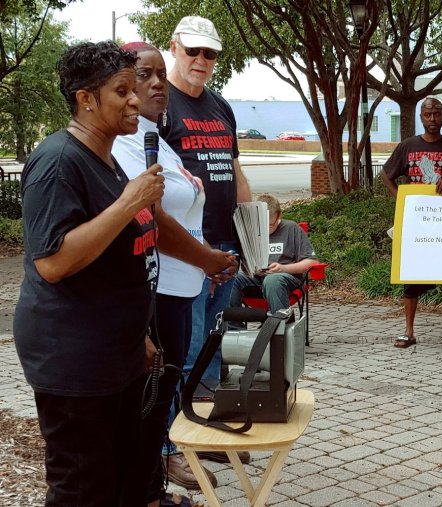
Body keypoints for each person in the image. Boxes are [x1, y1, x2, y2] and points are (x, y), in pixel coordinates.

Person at [15, 41, 164, 506]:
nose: (135, 99)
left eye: (134, 88)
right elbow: (53, 261)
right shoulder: (57, 162)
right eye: (122, 91)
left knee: (123, 482)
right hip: (73, 361)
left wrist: (133, 336)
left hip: (113, 353)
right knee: (83, 490)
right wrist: (129, 203)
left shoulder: (106, 156)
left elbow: (113, 263)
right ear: (86, 99)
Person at [112, 42, 237, 503]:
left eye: (160, 76)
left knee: (166, 390)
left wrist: (206, 258)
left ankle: (153, 485)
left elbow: (179, 209)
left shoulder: (156, 137)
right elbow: (152, 218)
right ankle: (148, 488)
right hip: (159, 288)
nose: (156, 85)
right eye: (144, 76)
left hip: (183, 285)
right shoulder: (127, 141)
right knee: (151, 397)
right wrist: (207, 258)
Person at [161, 14, 253, 483]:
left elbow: (234, 171)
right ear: (174, 47)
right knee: (184, 345)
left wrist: (251, 235)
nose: (200, 60)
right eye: (192, 50)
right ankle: (168, 448)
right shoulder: (162, 104)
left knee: (213, 347)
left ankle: (203, 431)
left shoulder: (220, 106)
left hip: (224, 244)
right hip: (183, 251)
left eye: (209, 53)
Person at [381, 97, 442, 349]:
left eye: (437, 114)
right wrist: (401, 198)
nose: (433, 119)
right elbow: (386, 174)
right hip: (417, 224)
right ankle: (409, 332)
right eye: (428, 114)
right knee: (412, 277)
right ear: (421, 117)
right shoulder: (408, 146)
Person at [229, 194, 317, 312]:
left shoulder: (291, 228)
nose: (266, 230)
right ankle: (234, 327)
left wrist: (283, 268)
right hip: (255, 278)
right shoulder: (249, 230)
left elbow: (311, 262)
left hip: (285, 278)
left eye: (270, 225)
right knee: (232, 279)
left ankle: (279, 325)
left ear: (279, 216)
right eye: (261, 225)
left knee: (272, 281)